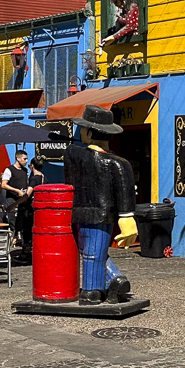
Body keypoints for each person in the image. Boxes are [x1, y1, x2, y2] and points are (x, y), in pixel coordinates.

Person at [63, 106, 138, 304]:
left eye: (83, 130)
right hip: (103, 214)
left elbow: (70, 170)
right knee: (94, 251)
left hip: (78, 212)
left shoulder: (72, 155)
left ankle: (92, 290)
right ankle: (113, 279)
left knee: (90, 252)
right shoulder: (119, 163)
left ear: (88, 133)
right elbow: (125, 192)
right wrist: (127, 217)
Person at [0, 150, 38, 251]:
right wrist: (17, 191)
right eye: (24, 159)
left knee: (23, 222)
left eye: (26, 159)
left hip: (23, 200)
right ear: (18, 158)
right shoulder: (9, 170)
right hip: (12, 200)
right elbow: (3, 185)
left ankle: (24, 245)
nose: (26, 161)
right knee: (13, 223)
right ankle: (13, 242)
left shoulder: (25, 170)